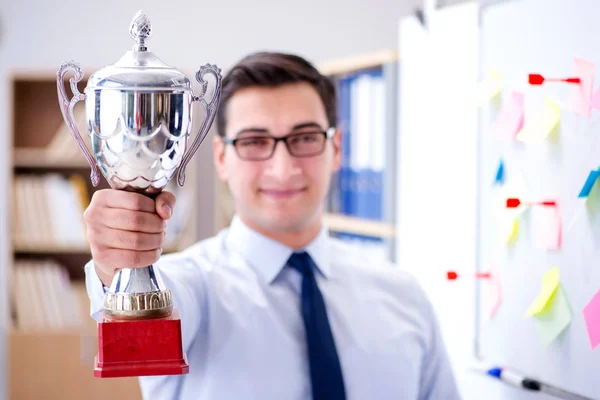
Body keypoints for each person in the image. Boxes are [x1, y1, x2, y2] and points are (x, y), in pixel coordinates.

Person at [83, 51, 461, 400]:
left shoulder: (405, 296)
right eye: (254, 141)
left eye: (306, 138)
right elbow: (143, 323)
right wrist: (118, 266)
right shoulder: (189, 286)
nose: (283, 169)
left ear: (337, 149)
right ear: (221, 158)